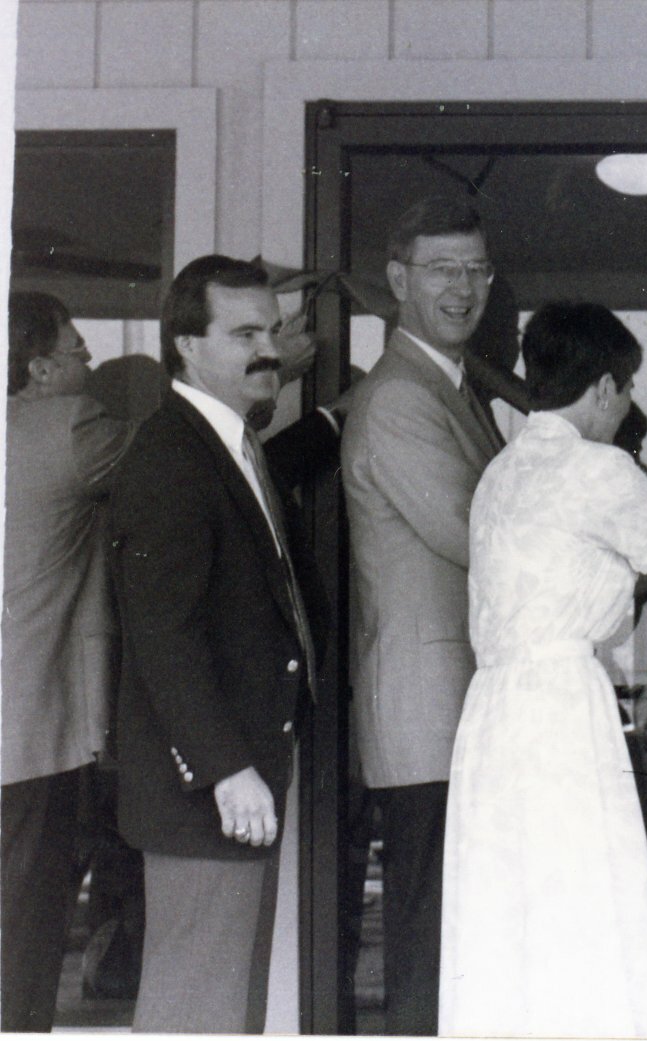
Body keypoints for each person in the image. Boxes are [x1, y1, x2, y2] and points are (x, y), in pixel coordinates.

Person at [438, 301, 647, 1038]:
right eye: (627, 388)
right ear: (605, 387)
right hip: (562, 709)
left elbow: (576, 584)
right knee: (582, 898)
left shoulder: (501, 474)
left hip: (496, 710)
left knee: (513, 911)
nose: (626, 404)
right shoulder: (600, 468)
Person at [108, 255, 336, 1032]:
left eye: (272, 330)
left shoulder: (227, 446)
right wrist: (226, 767)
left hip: (234, 785)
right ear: (187, 346)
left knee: (223, 1009)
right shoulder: (172, 456)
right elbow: (161, 634)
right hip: (208, 791)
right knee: (194, 1011)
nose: (268, 349)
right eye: (243, 333)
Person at [341, 195, 506, 1034]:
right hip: (427, 719)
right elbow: (482, 535)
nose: (464, 287)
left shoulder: (450, 387)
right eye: (443, 268)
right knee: (428, 952)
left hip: (454, 714)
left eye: (477, 268)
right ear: (398, 279)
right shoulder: (402, 398)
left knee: (453, 945)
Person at [2, 293, 133, 1032]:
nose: (91, 360)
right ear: (42, 365)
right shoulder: (68, 425)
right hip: (26, 732)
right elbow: (177, 449)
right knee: (26, 929)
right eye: (79, 348)